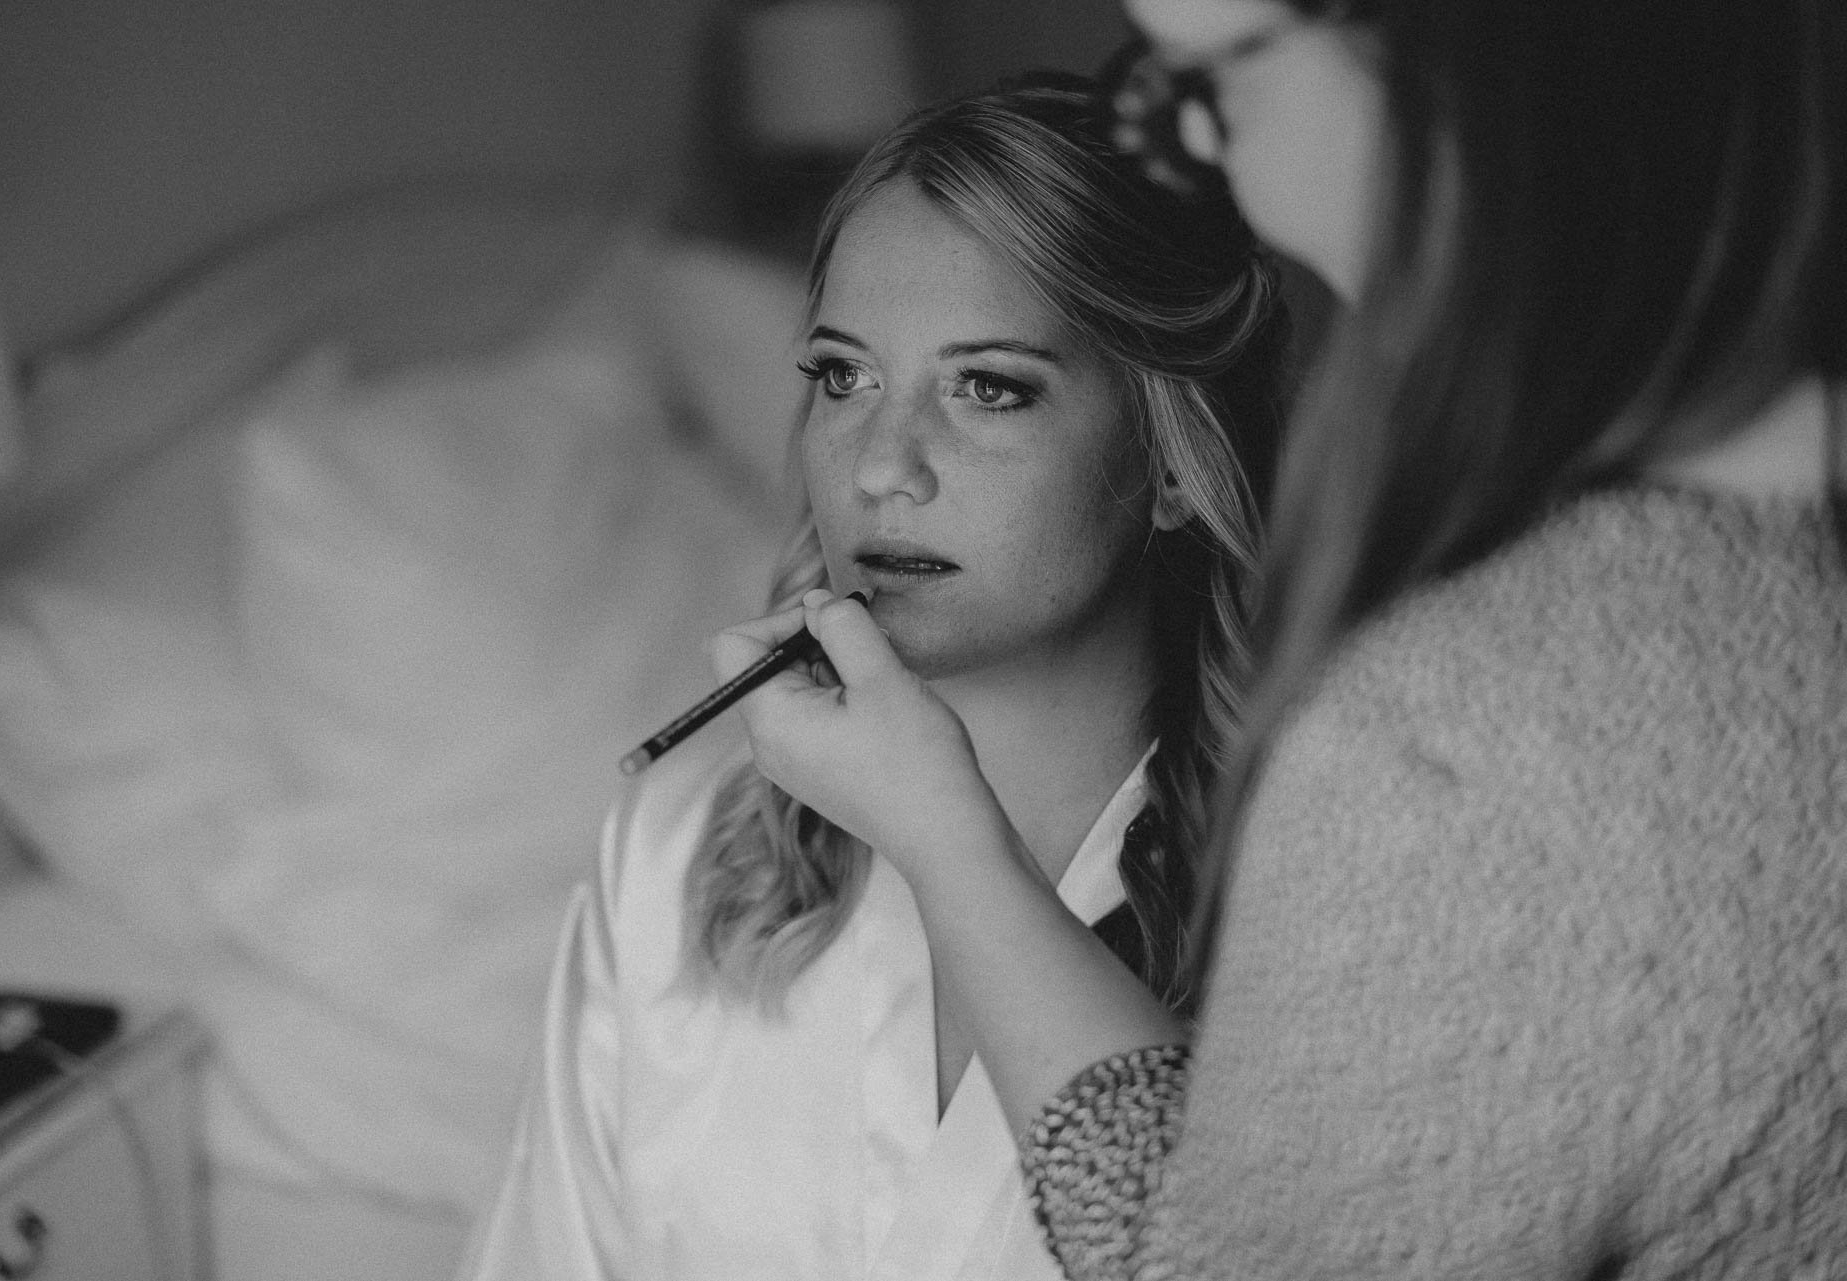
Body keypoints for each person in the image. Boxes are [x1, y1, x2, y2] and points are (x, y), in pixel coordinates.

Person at [726, 0, 1847, 1277]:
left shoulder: (1473, 731)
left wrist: (943, 840)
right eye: (838, 377)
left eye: (1215, 76)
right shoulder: (1748, 554)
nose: (1204, 151)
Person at [458, 75, 1287, 1280]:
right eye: (843, 378)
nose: (881, 466)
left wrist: (953, 846)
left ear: (1169, 458)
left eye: (988, 386)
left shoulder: (1320, 898)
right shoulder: (674, 865)